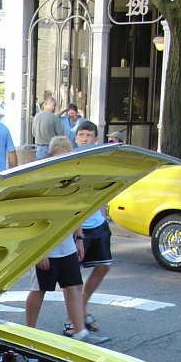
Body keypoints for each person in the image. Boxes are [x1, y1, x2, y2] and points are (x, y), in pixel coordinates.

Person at [24, 137, 108, 345]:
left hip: (66, 244)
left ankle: (80, 332)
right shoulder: (45, 180)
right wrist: (40, 251)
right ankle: (28, 333)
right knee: (39, 290)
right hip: (46, 245)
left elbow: (75, 213)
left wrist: (79, 238)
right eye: (60, 156)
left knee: (74, 286)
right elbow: (35, 217)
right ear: (52, 155)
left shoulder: (72, 180)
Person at [73, 121, 112, 340]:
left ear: (96, 139)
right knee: (73, 277)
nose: (85, 138)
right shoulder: (72, 160)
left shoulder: (99, 161)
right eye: (82, 135)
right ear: (76, 137)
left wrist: (104, 213)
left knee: (103, 266)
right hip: (78, 226)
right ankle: (73, 320)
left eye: (89, 135)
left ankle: (82, 308)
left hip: (97, 223)